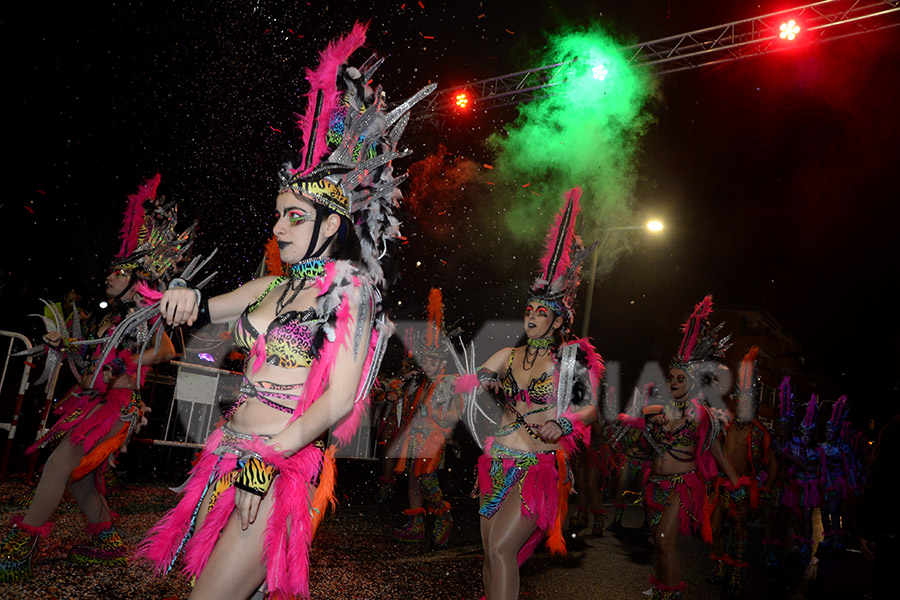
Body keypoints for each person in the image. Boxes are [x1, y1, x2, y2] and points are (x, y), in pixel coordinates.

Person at [136, 24, 434, 600]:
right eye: (278, 215)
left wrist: (267, 461)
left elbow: (341, 398)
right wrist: (176, 293)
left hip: (283, 466)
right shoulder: (266, 288)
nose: (278, 227)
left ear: (331, 224)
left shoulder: (351, 292)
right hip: (226, 455)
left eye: (294, 217)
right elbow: (200, 312)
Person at [0, 174, 180, 582]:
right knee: (80, 479)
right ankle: (107, 544)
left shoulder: (144, 315)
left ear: (134, 278)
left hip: (117, 408)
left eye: (116, 273)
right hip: (93, 401)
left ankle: (21, 545)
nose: (107, 278)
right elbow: (85, 381)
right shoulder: (109, 317)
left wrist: (128, 368)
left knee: (58, 466)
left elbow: (170, 351)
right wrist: (64, 349)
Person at [457, 187, 603, 600]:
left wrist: (563, 421)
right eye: (529, 310)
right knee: (489, 554)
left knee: (502, 548)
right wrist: (476, 382)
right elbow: (470, 381)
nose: (533, 316)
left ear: (558, 322)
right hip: (495, 463)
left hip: (534, 468)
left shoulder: (569, 360)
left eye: (543, 312)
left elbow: (590, 409)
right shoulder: (507, 353)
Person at [635, 295, 740, 600]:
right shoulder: (658, 410)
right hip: (654, 484)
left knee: (667, 539)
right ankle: (660, 586)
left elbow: (717, 452)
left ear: (693, 382)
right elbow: (638, 436)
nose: (674, 382)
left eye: (681, 378)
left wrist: (737, 485)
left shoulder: (701, 415)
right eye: (671, 377)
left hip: (683, 485)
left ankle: (673, 593)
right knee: (657, 540)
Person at [390, 288, 460, 546]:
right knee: (412, 477)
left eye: (434, 360)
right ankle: (416, 523)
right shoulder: (419, 382)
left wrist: (436, 419)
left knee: (427, 476)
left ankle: (443, 515)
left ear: (442, 360)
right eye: (426, 359)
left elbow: (452, 415)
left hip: (434, 437)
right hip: (415, 436)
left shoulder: (449, 382)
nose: (429, 364)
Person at [707, 346, 778, 598]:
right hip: (722, 484)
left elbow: (772, 463)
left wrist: (767, 487)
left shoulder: (758, 432)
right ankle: (721, 562)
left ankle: (738, 569)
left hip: (743, 488)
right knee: (715, 527)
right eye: (741, 399)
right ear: (736, 401)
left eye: (749, 401)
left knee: (739, 531)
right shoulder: (725, 425)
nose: (744, 403)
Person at [817, 395, 855, 556]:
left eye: (831, 431)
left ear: (837, 432)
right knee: (824, 510)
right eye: (827, 431)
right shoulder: (822, 447)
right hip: (824, 481)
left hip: (837, 482)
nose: (828, 434)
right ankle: (828, 536)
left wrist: (854, 484)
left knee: (834, 509)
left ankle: (838, 538)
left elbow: (850, 467)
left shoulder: (843, 448)